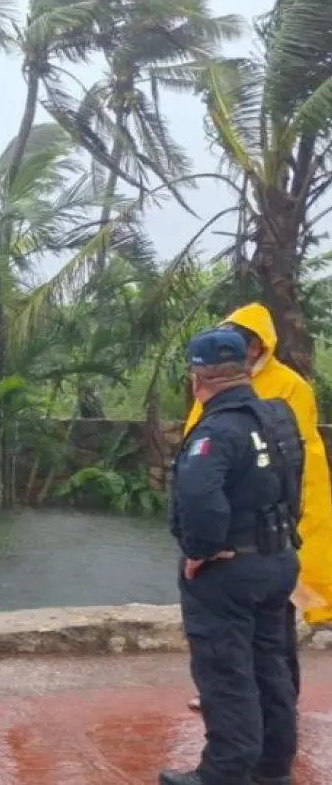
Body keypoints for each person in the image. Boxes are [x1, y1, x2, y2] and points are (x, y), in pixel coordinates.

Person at [160, 328, 303, 785]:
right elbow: (296, 481)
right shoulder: (278, 416)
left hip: (230, 570)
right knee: (271, 666)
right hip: (278, 560)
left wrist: (201, 550)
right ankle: (272, 768)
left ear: (197, 376)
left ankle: (223, 773)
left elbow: (200, 496)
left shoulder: (217, 429)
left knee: (226, 672)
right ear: (246, 368)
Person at [183, 303, 332, 714]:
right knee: (235, 636)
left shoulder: (288, 388)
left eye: (245, 345)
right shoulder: (218, 389)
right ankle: (243, 705)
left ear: (258, 346)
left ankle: (275, 705)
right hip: (229, 524)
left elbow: (299, 464)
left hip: (265, 529)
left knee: (274, 633)